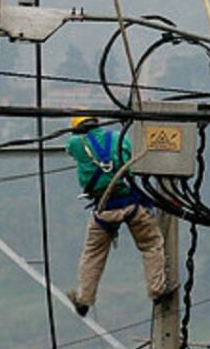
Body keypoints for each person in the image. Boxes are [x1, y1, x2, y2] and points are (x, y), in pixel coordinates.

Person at [64, 116, 175, 316]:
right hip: (131, 204)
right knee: (151, 244)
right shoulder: (118, 137)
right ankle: (157, 290)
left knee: (93, 254)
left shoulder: (76, 143)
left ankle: (84, 299)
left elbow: (70, 148)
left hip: (104, 209)